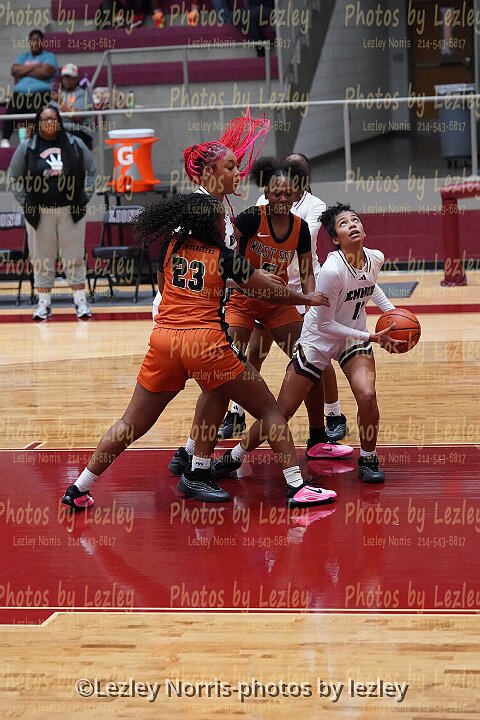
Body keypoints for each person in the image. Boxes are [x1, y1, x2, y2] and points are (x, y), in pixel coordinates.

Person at [61, 193, 337, 509]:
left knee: (131, 423)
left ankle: (80, 487)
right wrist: (306, 299)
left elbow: (165, 290)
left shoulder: (170, 247)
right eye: (222, 219)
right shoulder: (225, 257)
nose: (227, 224)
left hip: (164, 341)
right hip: (206, 344)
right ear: (211, 224)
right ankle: (297, 487)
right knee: (269, 411)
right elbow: (267, 291)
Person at [212, 203, 404, 485]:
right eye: (344, 223)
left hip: (352, 337)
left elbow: (369, 284)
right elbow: (325, 325)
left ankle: (368, 457)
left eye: (355, 220)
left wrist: (393, 315)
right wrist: (371, 337)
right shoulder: (332, 271)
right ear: (335, 238)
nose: (352, 224)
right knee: (283, 410)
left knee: (367, 395)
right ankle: (236, 455)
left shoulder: (375, 257)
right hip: (319, 339)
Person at [218, 152, 349, 442]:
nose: (282, 198)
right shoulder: (252, 217)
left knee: (310, 359)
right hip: (245, 298)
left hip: (282, 299)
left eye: (287, 193)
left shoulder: (302, 223)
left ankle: (319, 432)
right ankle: (229, 419)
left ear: (296, 193)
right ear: (266, 193)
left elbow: (307, 270)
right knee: (233, 360)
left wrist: (310, 299)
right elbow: (226, 250)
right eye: (276, 193)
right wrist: (246, 271)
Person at [7, 104, 96, 321]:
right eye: (45, 119)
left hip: (70, 210)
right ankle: (44, 305)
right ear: (38, 123)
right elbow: (13, 176)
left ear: (59, 121)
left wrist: (84, 196)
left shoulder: (74, 144)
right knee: (41, 259)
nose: (49, 122)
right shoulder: (27, 147)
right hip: (39, 213)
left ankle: (80, 303)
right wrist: (25, 201)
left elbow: (92, 170)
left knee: (74, 257)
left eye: (53, 118)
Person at [1, 29, 57, 149]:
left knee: (38, 111)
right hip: (20, 93)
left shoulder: (49, 56)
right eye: (32, 41)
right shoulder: (23, 56)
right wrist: (36, 66)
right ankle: (5, 139)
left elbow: (46, 72)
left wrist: (24, 71)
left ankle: (36, 138)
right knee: (12, 105)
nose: (34, 43)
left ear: (42, 42)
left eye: (37, 41)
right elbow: (14, 70)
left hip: (40, 93)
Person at [51, 64, 94, 150]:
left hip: (78, 130)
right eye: (65, 78)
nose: (67, 80)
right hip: (59, 129)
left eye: (70, 77)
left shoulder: (82, 94)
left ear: (76, 79)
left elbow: (78, 117)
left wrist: (60, 102)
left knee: (62, 137)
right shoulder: (58, 94)